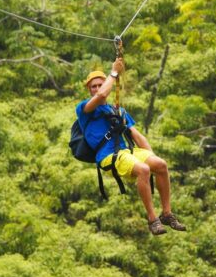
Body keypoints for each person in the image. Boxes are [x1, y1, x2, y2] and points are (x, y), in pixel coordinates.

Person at [76, 58, 186, 235]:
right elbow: (101, 96)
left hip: (126, 151)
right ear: (89, 90)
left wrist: (152, 157)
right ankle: (152, 219)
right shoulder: (84, 109)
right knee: (143, 169)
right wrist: (114, 72)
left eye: (99, 85)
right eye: (93, 86)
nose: (97, 89)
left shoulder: (118, 111)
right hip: (108, 156)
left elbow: (136, 135)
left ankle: (166, 213)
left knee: (161, 165)